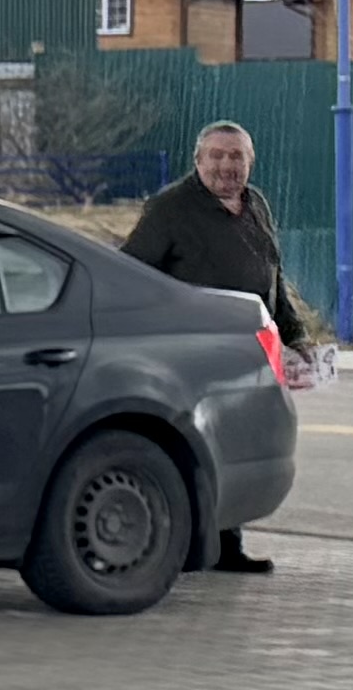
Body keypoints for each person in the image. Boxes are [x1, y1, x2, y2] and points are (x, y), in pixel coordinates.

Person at [122, 119, 306, 573]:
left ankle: (228, 546)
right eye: (218, 156)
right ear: (198, 161)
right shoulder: (170, 209)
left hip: (248, 354)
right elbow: (131, 275)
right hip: (189, 355)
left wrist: (296, 336)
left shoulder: (256, 206)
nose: (227, 166)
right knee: (197, 451)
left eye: (237, 157)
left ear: (250, 162)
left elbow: (272, 283)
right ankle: (182, 547)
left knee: (239, 448)